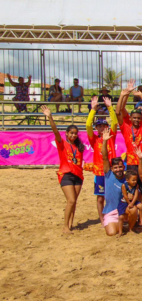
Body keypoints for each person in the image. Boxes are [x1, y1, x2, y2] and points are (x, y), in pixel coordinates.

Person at [41, 105, 85, 234]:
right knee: (71, 200)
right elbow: (55, 131)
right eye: (71, 133)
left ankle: (70, 224)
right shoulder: (62, 144)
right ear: (66, 133)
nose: (73, 135)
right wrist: (50, 117)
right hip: (66, 175)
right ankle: (65, 226)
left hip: (78, 176)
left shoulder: (79, 147)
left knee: (74, 202)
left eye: (75, 133)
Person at [86, 96, 118, 224]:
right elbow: (88, 125)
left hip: (112, 172)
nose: (101, 128)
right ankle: (101, 219)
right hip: (99, 173)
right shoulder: (94, 140)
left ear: (107, 127)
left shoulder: (111, 137)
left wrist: (110, 108)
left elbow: (115, 122)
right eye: (99, 126)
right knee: (100, 198)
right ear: (96, 128)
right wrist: (93, 110)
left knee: (114, 196)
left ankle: (114, 217)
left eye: (104, 126)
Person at [115, 80, 142, 180]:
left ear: (141, 118)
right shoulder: (126, 127)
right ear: (130, 118)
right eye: (134, 118)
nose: (136, 120)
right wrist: (123, 95)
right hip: (131, 161)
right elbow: (118, 112)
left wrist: (141, 95)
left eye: (138, 118)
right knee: (132, 185)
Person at [99, 129, 127, 237]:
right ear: (112, 168)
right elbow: (104, 157)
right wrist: (105, 141)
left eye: (120, 167)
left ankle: (125, 224)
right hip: (111, 211)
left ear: (123, 167)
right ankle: (120, 225)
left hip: (124, 211)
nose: (118, 169)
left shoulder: (128, 178)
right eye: (115, 167)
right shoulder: (108, 174)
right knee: (111, 233)